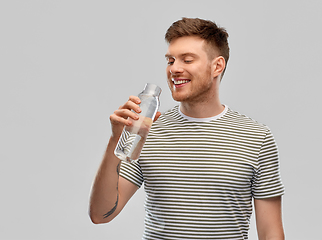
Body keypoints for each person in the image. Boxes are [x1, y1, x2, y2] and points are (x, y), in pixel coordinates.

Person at [89, 17, 285, 240]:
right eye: (170, 60)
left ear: (217, 66)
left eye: (187, 60)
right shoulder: (148, 131)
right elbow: (101, 214)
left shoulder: (256, 137)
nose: (174, 69)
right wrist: (116, 139)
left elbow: (271, 233)